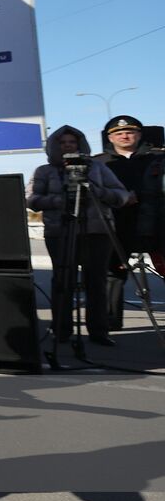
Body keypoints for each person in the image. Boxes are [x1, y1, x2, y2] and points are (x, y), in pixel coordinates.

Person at [27, 125, 130, 346]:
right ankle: (61, 330)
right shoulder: (44, 171)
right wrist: (59, 200)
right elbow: (31, 200)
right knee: (63, 281)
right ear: (56, 146)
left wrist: (97, 191)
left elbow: (121, 195)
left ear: (79, 145)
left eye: (72, 143)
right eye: (63, 143)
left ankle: (99, 331)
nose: (67, 146)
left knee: (97, 282)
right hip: (60, 232)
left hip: (97, 232)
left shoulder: (97, 168)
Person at [95, 115, 165, 320]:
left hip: (157, 224)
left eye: (130, 132)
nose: (124, 135)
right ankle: (110, 322)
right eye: (118, 133)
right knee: (113, 275)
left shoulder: (158, 158)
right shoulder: (99, 163)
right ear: (110, 137)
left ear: (139, 135)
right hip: (119, 226)